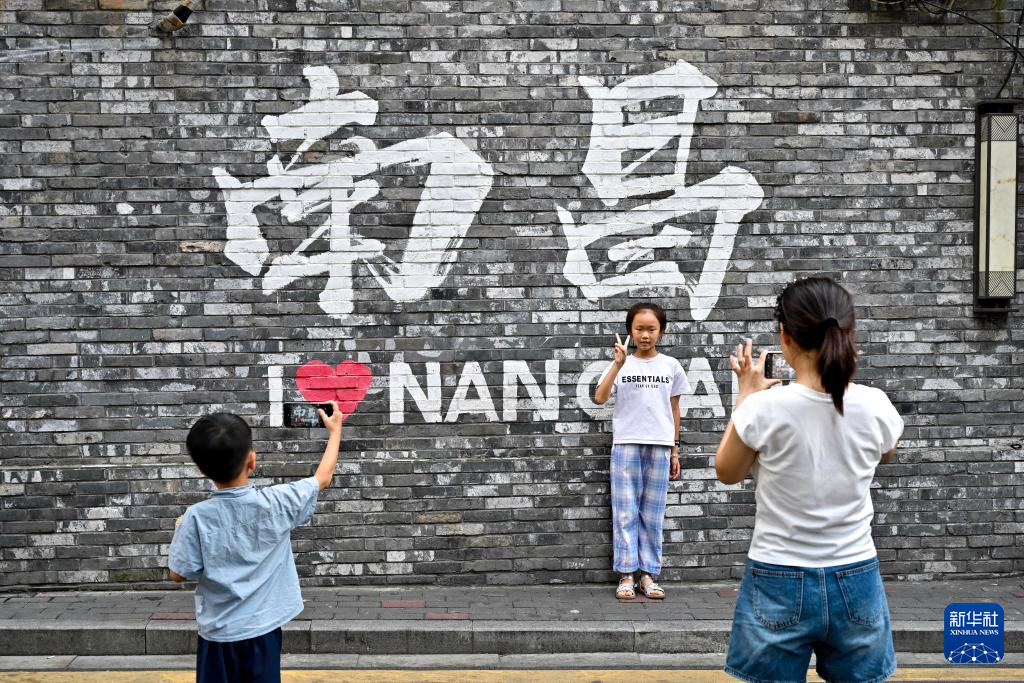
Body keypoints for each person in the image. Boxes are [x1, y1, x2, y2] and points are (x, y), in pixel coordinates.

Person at [716, 277, 903, 683]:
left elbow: (727, 472)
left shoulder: (763, 408)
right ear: (848, 332)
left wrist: (746, 395)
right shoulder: (875, 405)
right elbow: (884, 452)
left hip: (777, 574)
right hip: (856, 573)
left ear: (785, 336)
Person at [168, 402, 344, 683]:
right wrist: (335, 432)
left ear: (201, 469)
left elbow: (179, 573)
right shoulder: (278, 502)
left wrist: (181, 531)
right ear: (252, 460)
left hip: (218, 636)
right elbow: (322, 478)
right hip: (263, 631)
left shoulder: (195, 518)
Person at [594, 302, 688, 600]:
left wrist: (675, 449)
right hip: (626, 444)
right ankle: (626, 574)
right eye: (639, 329)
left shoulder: (671, 365)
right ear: (630, 331)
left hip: (660, 445)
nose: (645, 335)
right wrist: (617, 365)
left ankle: (647, 575)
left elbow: (675, 410)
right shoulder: (621, 363)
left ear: (661, 331)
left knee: (652, 514)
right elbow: (599, 398)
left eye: (651, 329)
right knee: (625, 512)